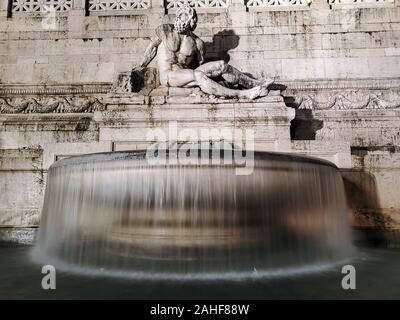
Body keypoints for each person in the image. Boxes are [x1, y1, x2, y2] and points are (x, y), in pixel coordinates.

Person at [135, 5, 274, 100]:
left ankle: (255, 84)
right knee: (199, 76)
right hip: (168, 76)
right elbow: (152, 47)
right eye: (181, 15)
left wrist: (214, 74)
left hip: (185, 73)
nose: (182, 19)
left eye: (186, 17)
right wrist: (141, 65)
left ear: (192, 22)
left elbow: (199, 63)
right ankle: (242, 94)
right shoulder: (165, 31)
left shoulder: (197, 43)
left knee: (221, 65)